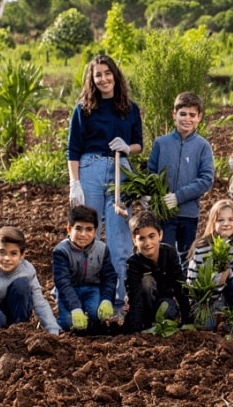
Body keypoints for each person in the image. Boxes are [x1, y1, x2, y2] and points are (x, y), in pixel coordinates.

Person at [66, 55, 143, 308]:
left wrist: (127, 148)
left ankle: (118, 302)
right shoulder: (83, 110)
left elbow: (138, 145)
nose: (103, 79)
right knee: (90, 237)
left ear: (115, 75)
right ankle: (90, 300)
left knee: (120, 241)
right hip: (91, 169)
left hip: (121, 172)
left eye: (107, 73)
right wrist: (74, 183)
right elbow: (73, 150)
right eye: (98, 75)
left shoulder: (130, 109)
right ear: (92, 79)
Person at [147, 91, 215, 259]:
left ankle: (183, 285)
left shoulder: (202, 146)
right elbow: (151, 173)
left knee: (186, 257)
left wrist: (178, 197)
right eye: (182, 114)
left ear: (199, 117)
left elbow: (206, 179)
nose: (187, 119)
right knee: (165, 255)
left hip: (189, 213)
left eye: (192, 115)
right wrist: (149, 196)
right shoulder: (161, 143)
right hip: (164, 214)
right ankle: (165, 286)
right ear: (174, 115)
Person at [186, 198, 233, 328]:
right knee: (207, 327)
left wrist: (228, 273)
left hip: (224, 294)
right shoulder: (202, 248)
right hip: (205, 299)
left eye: (231, 219)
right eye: (220, 220)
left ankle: (231, 314)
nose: (226, 224)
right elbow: (192, 280)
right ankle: (210, 312)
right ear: (213, 223)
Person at [52, 205, 118, 333]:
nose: (83, 234)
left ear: (95, 232)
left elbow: (110, 277)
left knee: (96, 315)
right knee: (67, 323)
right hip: (69, 291)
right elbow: (62, 282)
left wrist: (107, 299)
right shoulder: (61, 251)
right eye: (78, 229)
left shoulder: (102, 249)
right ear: (69, 229)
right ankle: (71, 316)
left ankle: (93, 322)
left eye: (89, 229)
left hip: (92, 289)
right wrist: (75, 308)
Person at [123, 211, 190, 333]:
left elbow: (179, 284)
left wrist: (187, 319)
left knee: (167, 308)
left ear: (160, 234)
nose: (147, 243)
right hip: (143, 309)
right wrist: (136, 330)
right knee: (146, 281)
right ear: (134, 240)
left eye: (151, 236)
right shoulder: (133, 263)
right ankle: (146, 325)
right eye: (141, 238)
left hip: (164, 302)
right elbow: (135, 296)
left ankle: (159, 324)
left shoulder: (169, 253)